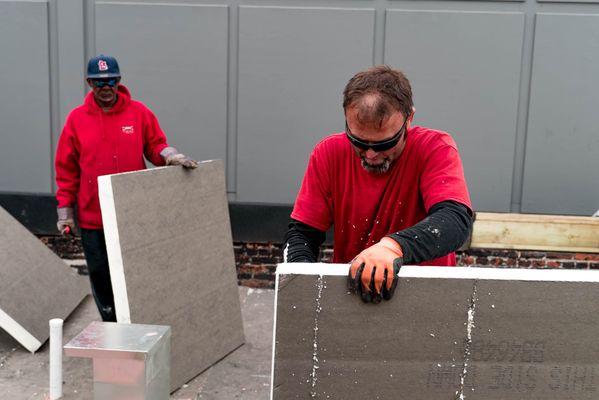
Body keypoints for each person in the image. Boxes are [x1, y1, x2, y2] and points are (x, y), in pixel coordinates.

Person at [283, 65, 473, 303]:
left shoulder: (434, 149)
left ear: (409, 118)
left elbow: (455, 221)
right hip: (352, 299)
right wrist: (301, 284)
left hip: (426, 300)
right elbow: (303, 234)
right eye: (358, 142)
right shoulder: (328, 153)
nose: (371, 154)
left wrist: (394, 247)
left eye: (385, 144)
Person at [55, 55, 198, 321]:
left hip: (132, 214)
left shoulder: (139, 113)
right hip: (92, 218)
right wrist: (66, 213)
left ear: (119, 80)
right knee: (100, 273)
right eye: (98, 82)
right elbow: (66, 170)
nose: (105, 86)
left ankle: (138, 322)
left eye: (110, 80)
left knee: (135, 271)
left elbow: (155, 144)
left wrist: (170, 155)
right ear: (89, 83)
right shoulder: (76, 120)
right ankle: (111, 325)